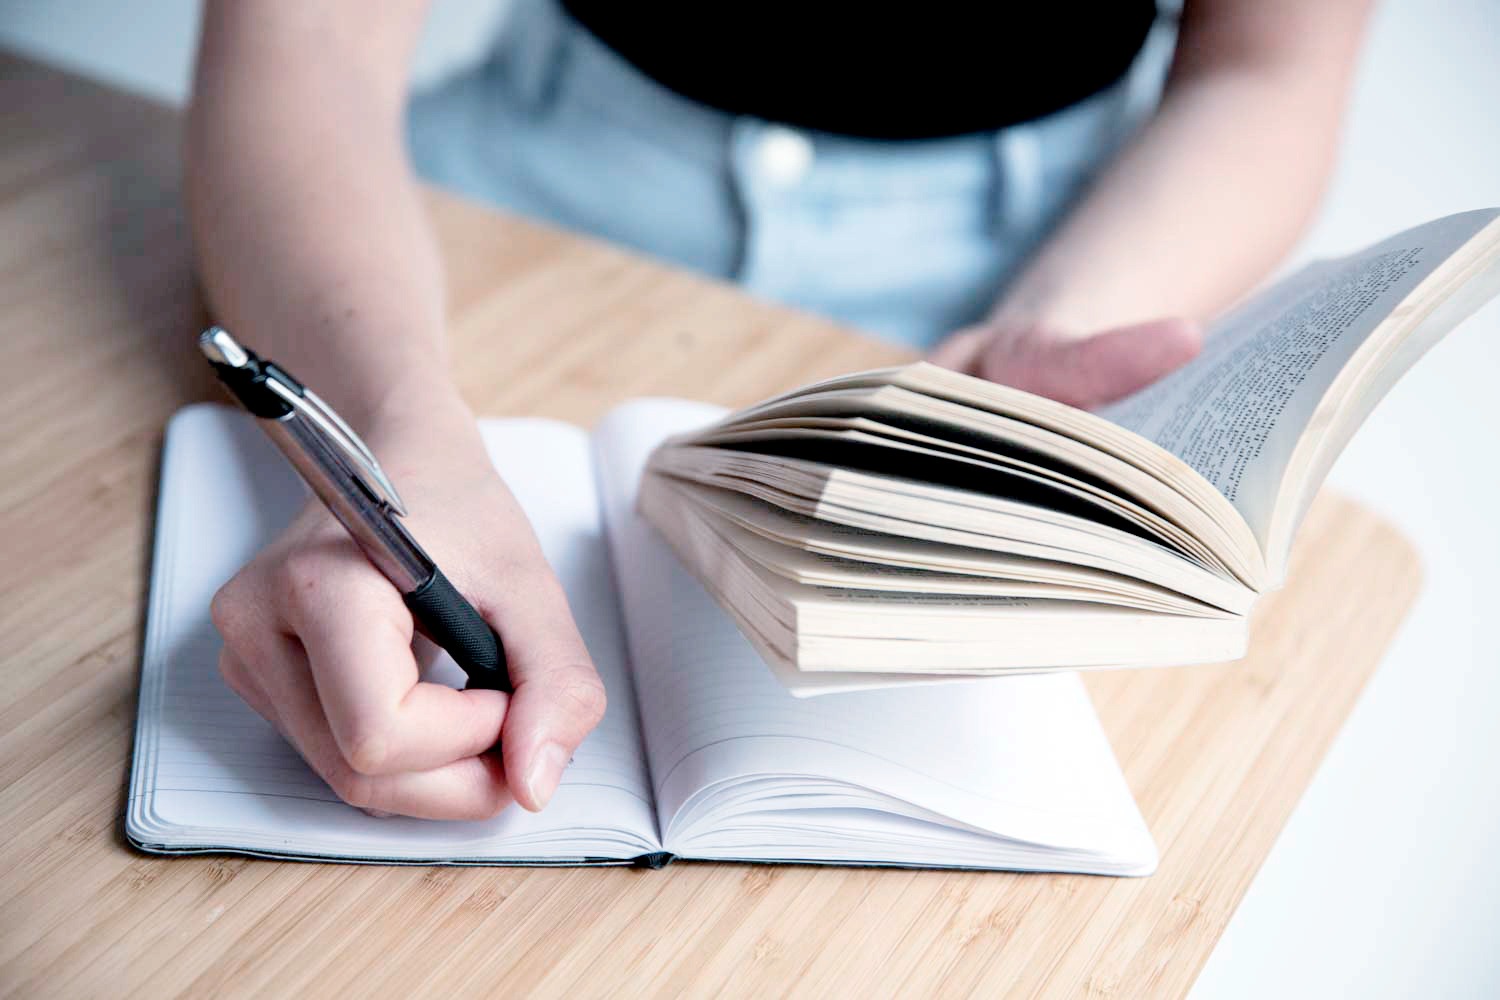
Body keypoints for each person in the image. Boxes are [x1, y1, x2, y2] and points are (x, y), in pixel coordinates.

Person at [190, 0, 1373, 820]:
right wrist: (392, 431)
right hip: (485, 186)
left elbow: (1270, 66)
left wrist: (1056, 337)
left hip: (1054, 249)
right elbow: (308, 33)